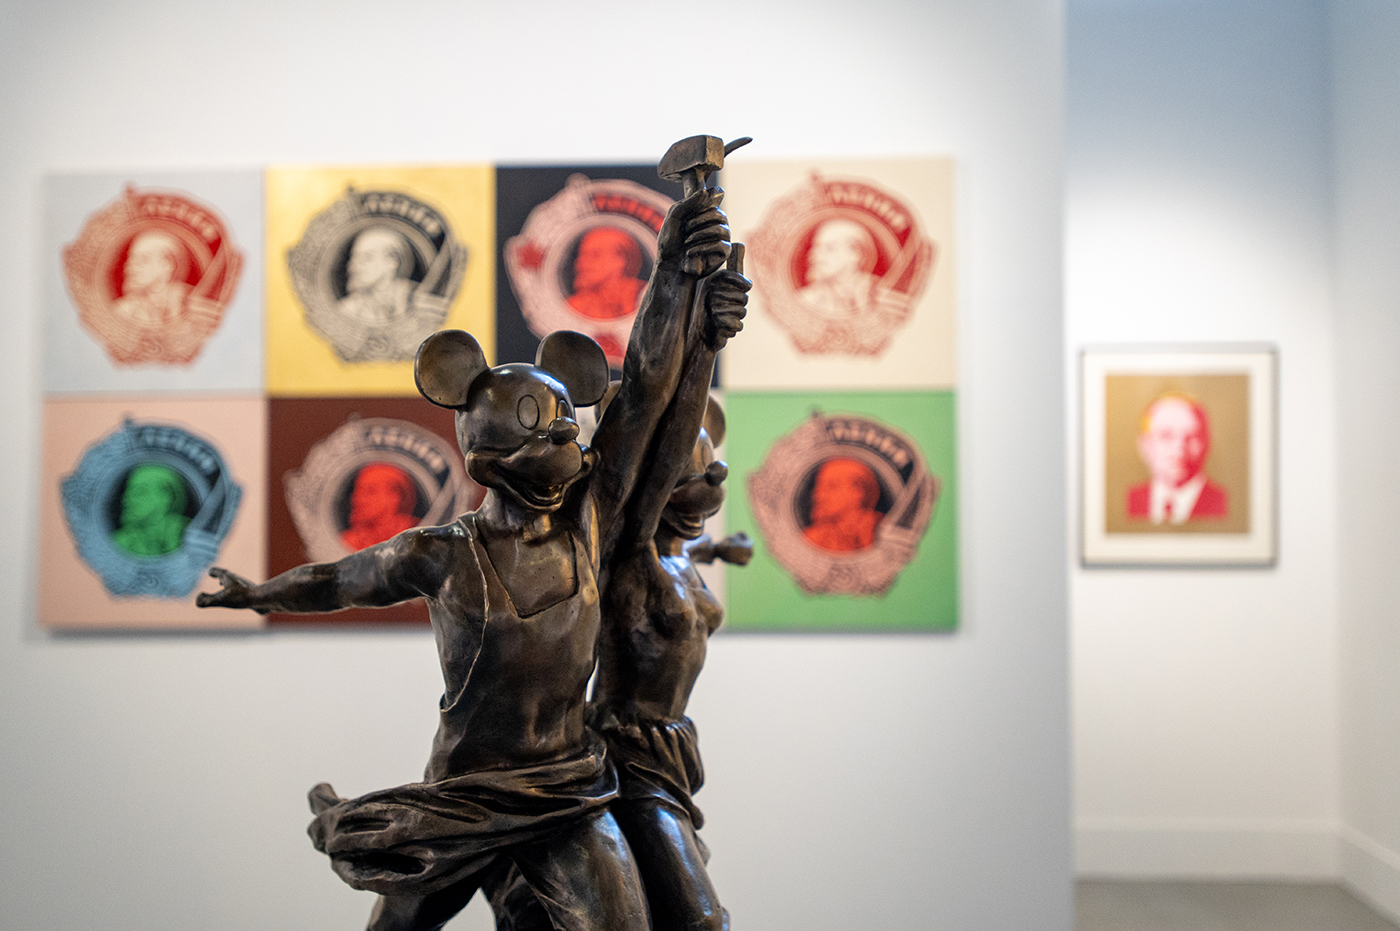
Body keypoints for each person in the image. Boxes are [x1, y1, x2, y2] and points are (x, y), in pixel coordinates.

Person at [197, 187, 734, 931]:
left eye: (566, 426)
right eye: (538, 427)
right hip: (465, 796)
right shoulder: (443, 555)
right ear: (482, 448)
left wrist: (675, 269)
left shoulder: (588, 523)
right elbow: (340, 579)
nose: (564, 443)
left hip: (567, 788)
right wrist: (258, 594)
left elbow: (644, 390)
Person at [489, 221, 750, 931]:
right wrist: (698, 329)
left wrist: (708, 333)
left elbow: (671, 433)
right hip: (626, 755)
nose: (709, 482)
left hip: (674, 749)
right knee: (697, 921)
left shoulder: (678, 554)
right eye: (689, 476)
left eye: (711, 471)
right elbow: (651, 412)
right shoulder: (625, 546)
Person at [1127, 393, 1228, 524]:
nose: (1179, 450)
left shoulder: (1224, 503)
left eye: (1192, 437)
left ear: (1206, 444)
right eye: (1166, 436)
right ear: (1146, 445)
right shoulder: (1128, 502)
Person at [802, 457, 884, 552]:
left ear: (858, 492)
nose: (818, 495)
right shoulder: (812, 538)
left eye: (831, 486)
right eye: (819, 487)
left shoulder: (883, 530)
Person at [566, 227, 647, 320]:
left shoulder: (645, 295)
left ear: (620, 261)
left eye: (595, 255)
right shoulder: (576, 305)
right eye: (582, 255)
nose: (581, 263)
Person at [110, 463, 190, 557]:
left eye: (140, 492)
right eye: (128, 492)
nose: (127, 500)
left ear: (166, 497)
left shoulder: (189, 535)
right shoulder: (119, 542)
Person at [338, 226, 415, 324]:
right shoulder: (347, 309)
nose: (353, 266)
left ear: (392, 262)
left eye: (366, 257)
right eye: (354, 258)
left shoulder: (418, 301)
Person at [113, 230, 191, 325]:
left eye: (144, 259)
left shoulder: (192, 304)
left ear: (167, 265)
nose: (130, 267)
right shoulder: (122, 310)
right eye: (131, 259)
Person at [340, 463, 419, 551]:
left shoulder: (419, 534)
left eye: (370, 491)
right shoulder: (348, 542)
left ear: (395, 497)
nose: (357, 499)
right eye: (357, 491)